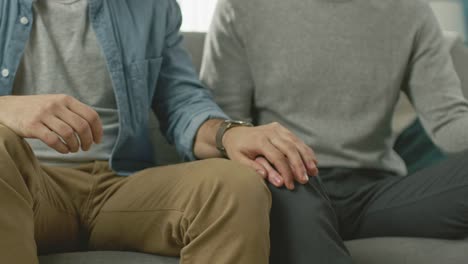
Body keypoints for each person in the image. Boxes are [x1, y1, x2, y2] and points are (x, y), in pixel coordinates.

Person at [0, 0, 319, 263]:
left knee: (236, 187)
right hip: (27, 184)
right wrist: (7, 108)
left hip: (119, 184)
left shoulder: (152, 6)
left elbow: (181, 101)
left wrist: (229, 133)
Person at [201, 0, 468, 263]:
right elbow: (227, 128)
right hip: (290, 183)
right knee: (283, 191)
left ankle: (314, 229)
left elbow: (448, 122)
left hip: (376, 195)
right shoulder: (241, 7)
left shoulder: (411, 11)